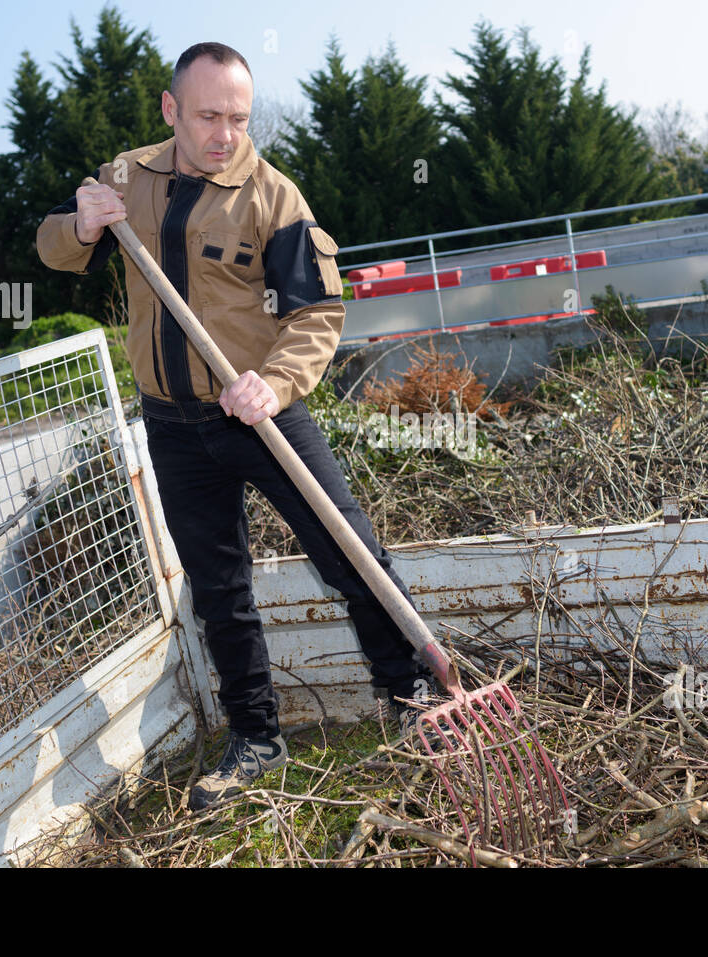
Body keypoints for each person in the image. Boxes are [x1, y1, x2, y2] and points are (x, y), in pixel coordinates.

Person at [36, 41, 434, 811]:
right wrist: (82, 224)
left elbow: (318, 313)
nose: (225, 133)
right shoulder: (129, 175)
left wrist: (275, 382)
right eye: (209, 115)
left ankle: (414, 698)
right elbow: (55, 248)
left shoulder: (272, 196)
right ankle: (255, 736)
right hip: (173, 424)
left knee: (351, 553)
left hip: (261, 413)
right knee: (218, 587)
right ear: (170, 110)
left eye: (239, 117)